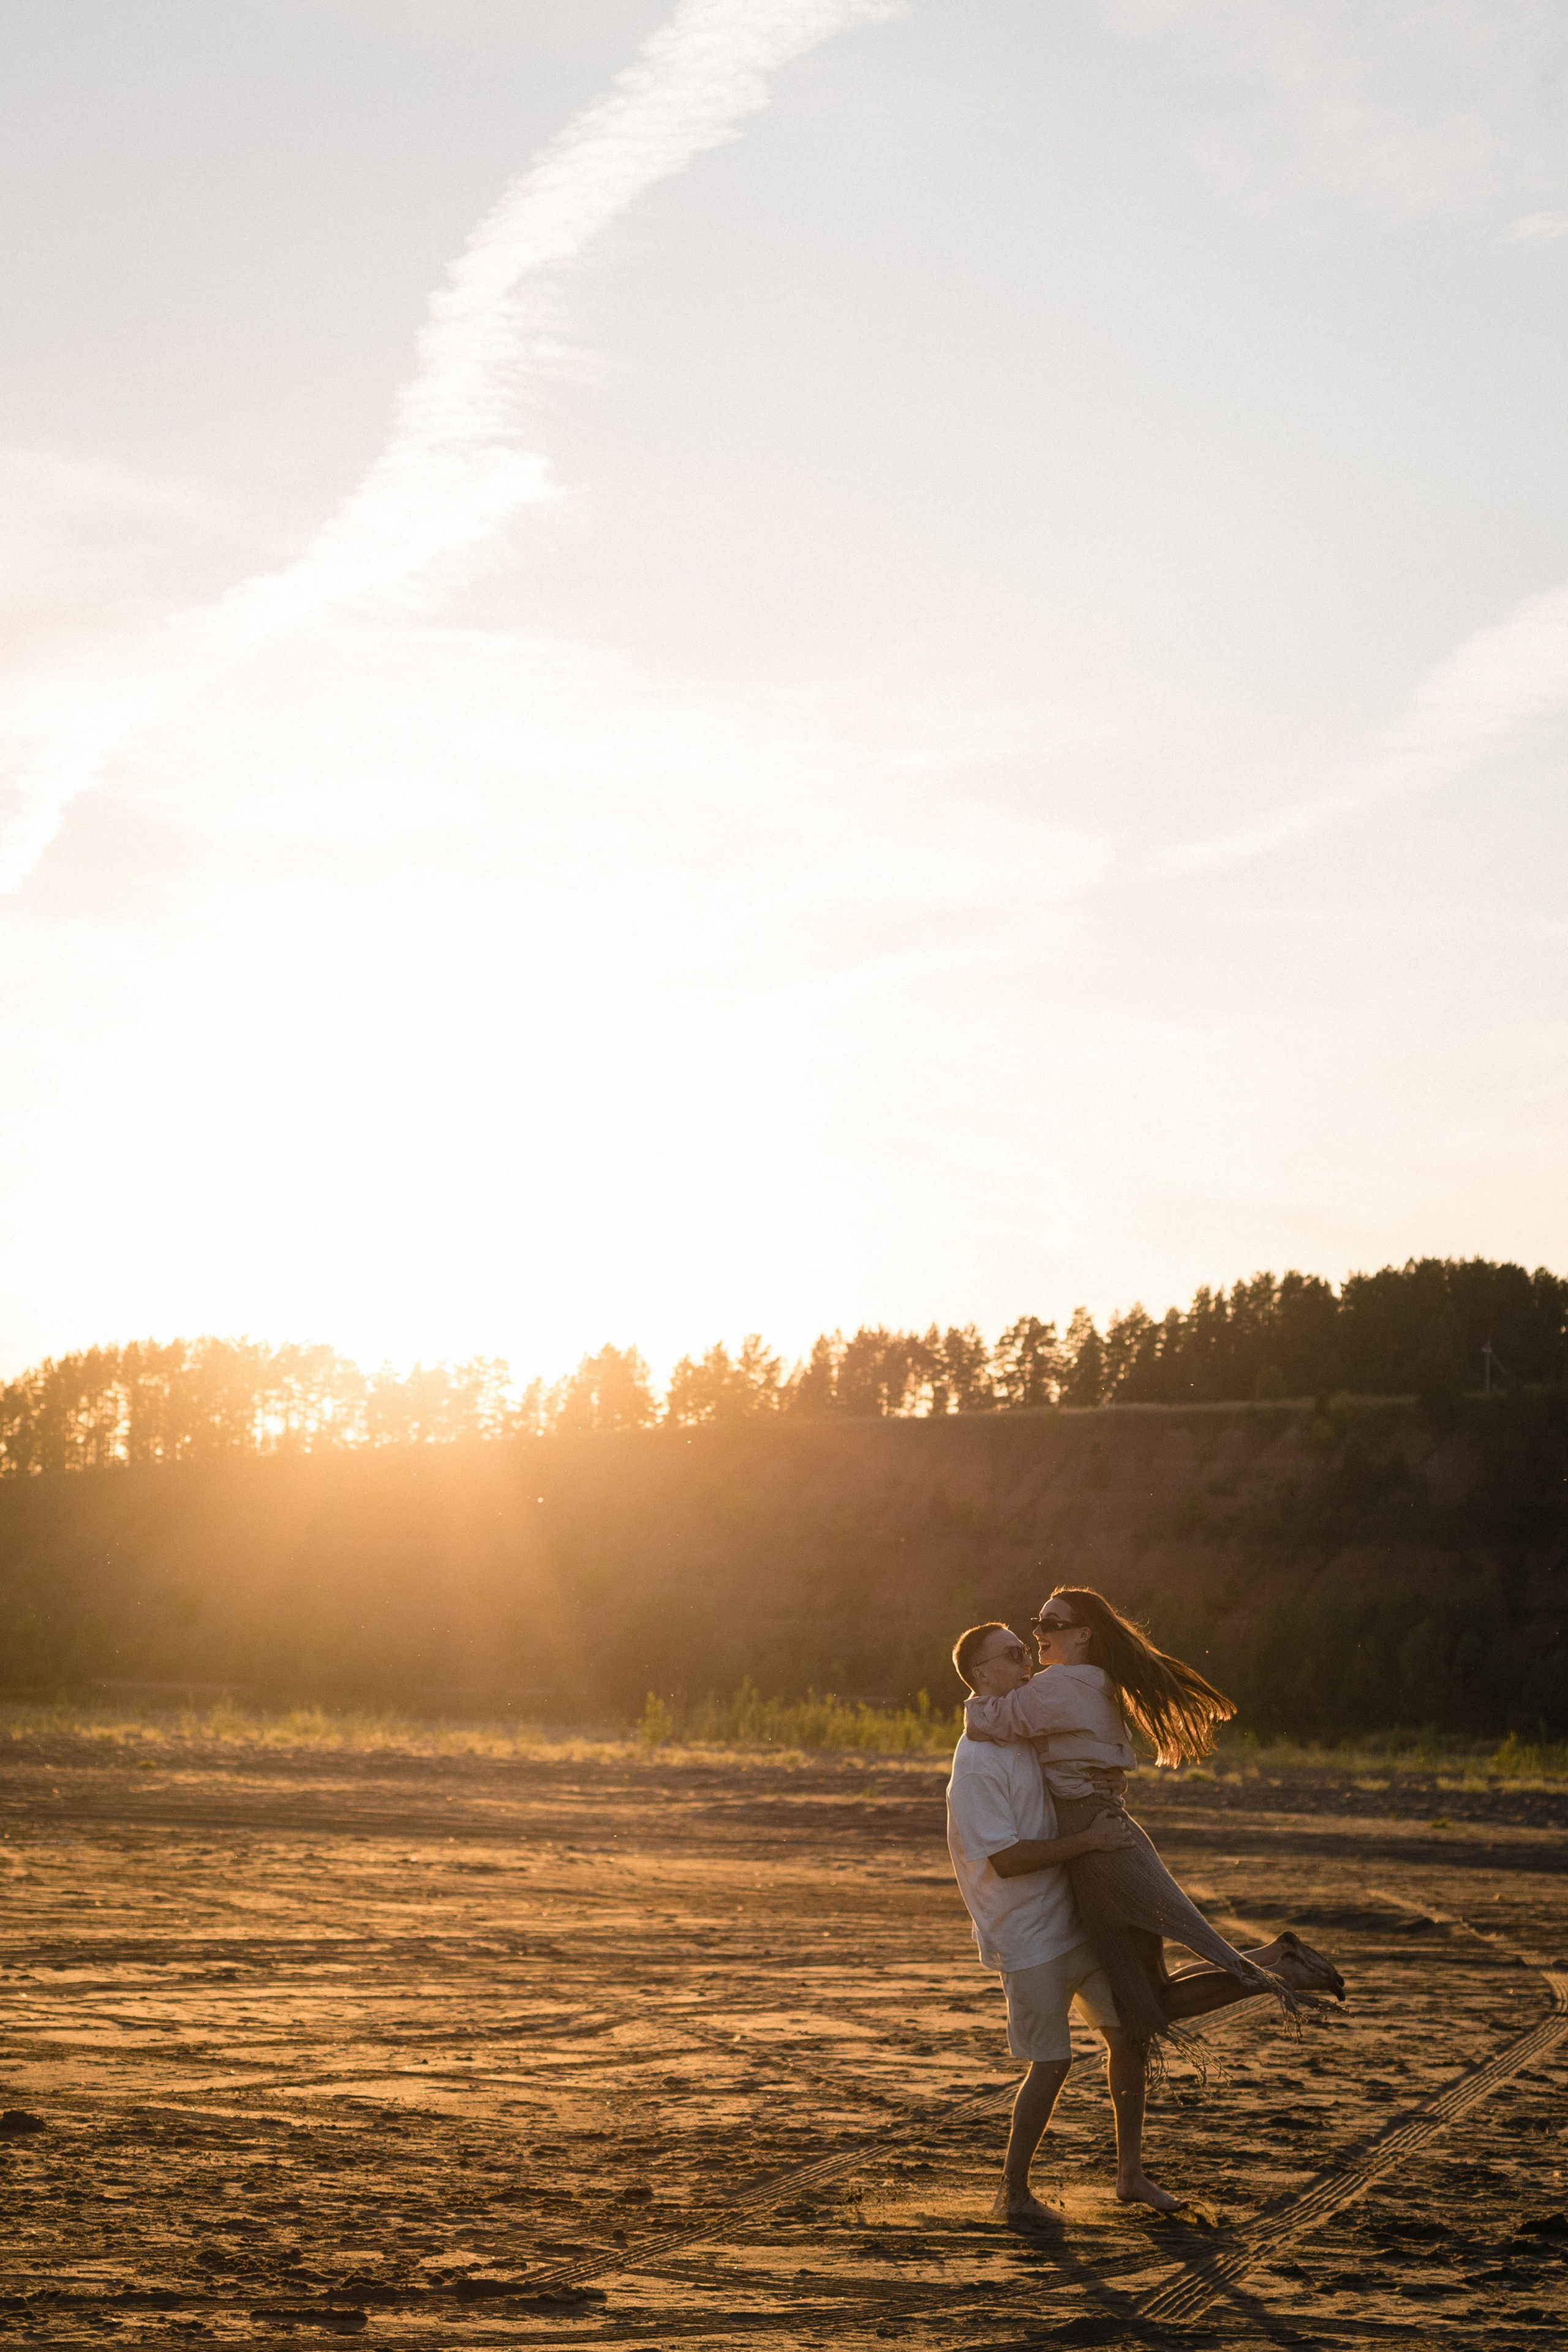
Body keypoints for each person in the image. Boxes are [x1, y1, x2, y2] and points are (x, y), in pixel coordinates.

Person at [961, 1586, 1344, 2067]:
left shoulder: (1062, 1686)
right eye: (1037, 1623)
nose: (1039, 1632)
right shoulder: (1090, 1680)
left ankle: (1281, 1970)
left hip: (1099, 1847)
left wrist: (971, 1702)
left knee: (1151, 2003)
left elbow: (991, 1720)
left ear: (1084, 1635)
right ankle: (1272, 1959)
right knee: (1150, 1991)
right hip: (1107, 1836)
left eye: (1051, 1624)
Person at [946, 1621, 1191, 2222]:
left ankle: (1130, 2176)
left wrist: (1106, 1780)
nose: (1028, 1659)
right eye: (1012, 1654)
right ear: (982, 1675)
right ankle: (1013, 2193)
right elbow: (1005, 1859)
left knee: (1128, 2040)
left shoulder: (1027, 1731)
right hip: (1025, 1938)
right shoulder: (976, 1764)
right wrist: (1087, 1841)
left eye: (1027, 1649)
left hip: (1076, 1923)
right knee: (1051, 2064)